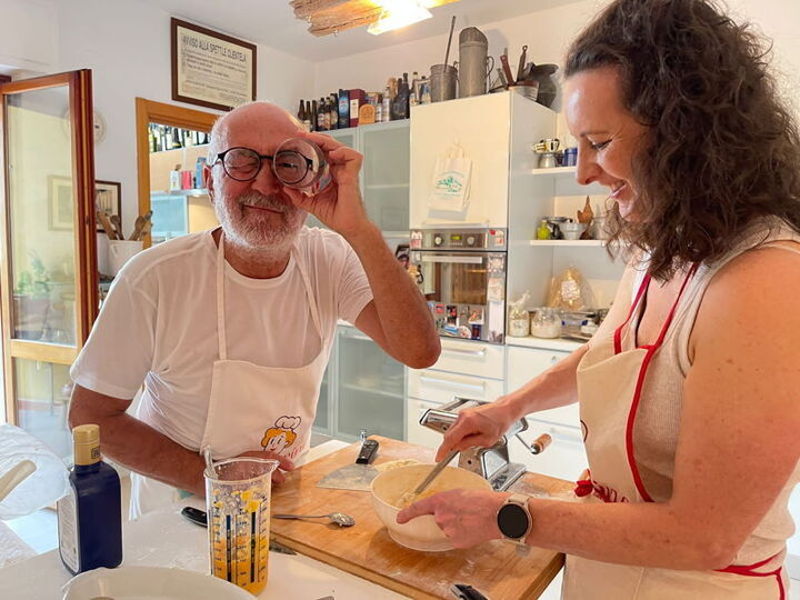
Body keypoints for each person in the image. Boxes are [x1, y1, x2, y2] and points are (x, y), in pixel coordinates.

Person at [397, 0, 800, 597]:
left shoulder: (766, 281)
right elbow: (610, 354)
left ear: (688, 133)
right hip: (606, 568)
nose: (582, 172)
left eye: (600, 142)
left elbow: (706, 534)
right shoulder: (669, 246)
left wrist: (507, 515)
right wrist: (507, 409)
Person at [69, 101, 440, 518]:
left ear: (311, 180)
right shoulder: (153, 279)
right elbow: (91, 418)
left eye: (286, 165)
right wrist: (211, 476)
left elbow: (418, 351)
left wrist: (359, 228)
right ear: (210, 181)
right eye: (242, 162)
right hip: (181, 514)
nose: (265, 186)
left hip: (281, 501)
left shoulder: (328, 258)